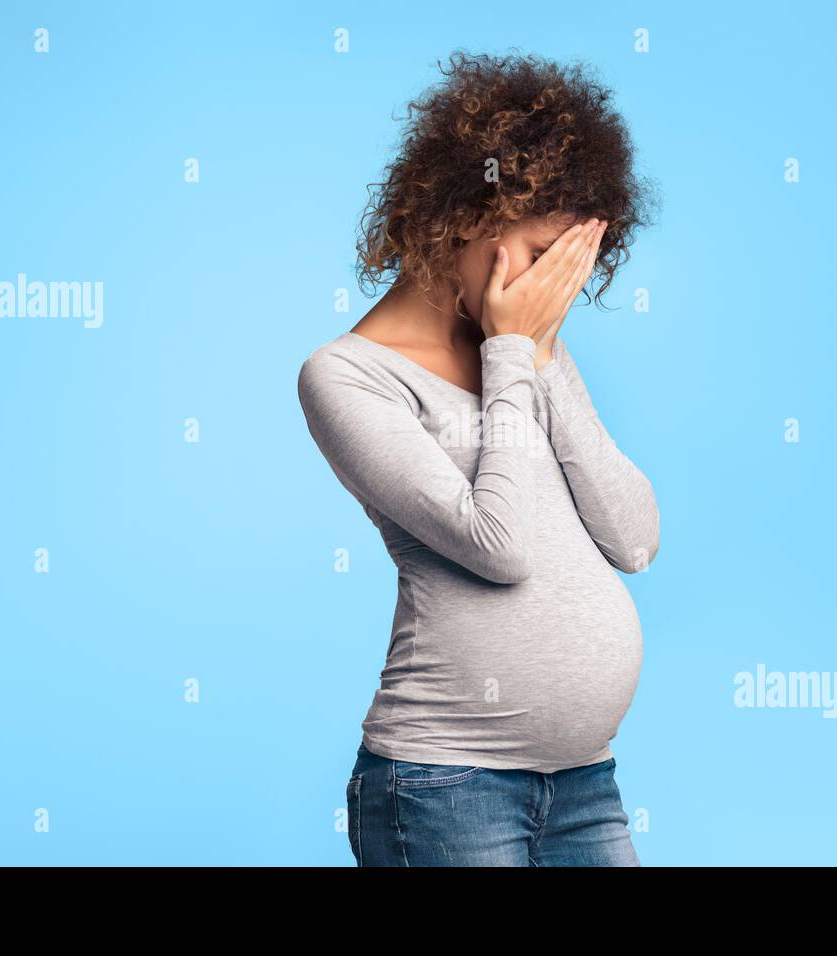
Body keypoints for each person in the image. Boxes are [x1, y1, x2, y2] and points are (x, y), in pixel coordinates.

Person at [297, 51, 658, 866]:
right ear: (468, 214)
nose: (549, 292)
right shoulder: (347, 376)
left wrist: (539, 353)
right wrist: (514, 352)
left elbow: (634, 538)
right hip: (444, 788)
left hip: (584, 784)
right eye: (539, 257)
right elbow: (499, 545)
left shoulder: (526, 353)